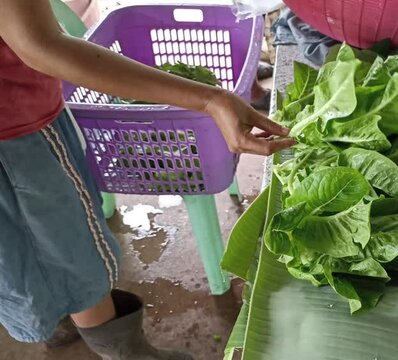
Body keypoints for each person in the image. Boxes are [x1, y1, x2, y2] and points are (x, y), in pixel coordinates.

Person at [0, 0, 295, 359]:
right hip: (17, 138)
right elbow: (40, 46)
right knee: (74, 255)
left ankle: (58, 316)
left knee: (22, 256)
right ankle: (125, 350)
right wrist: (210, 99)